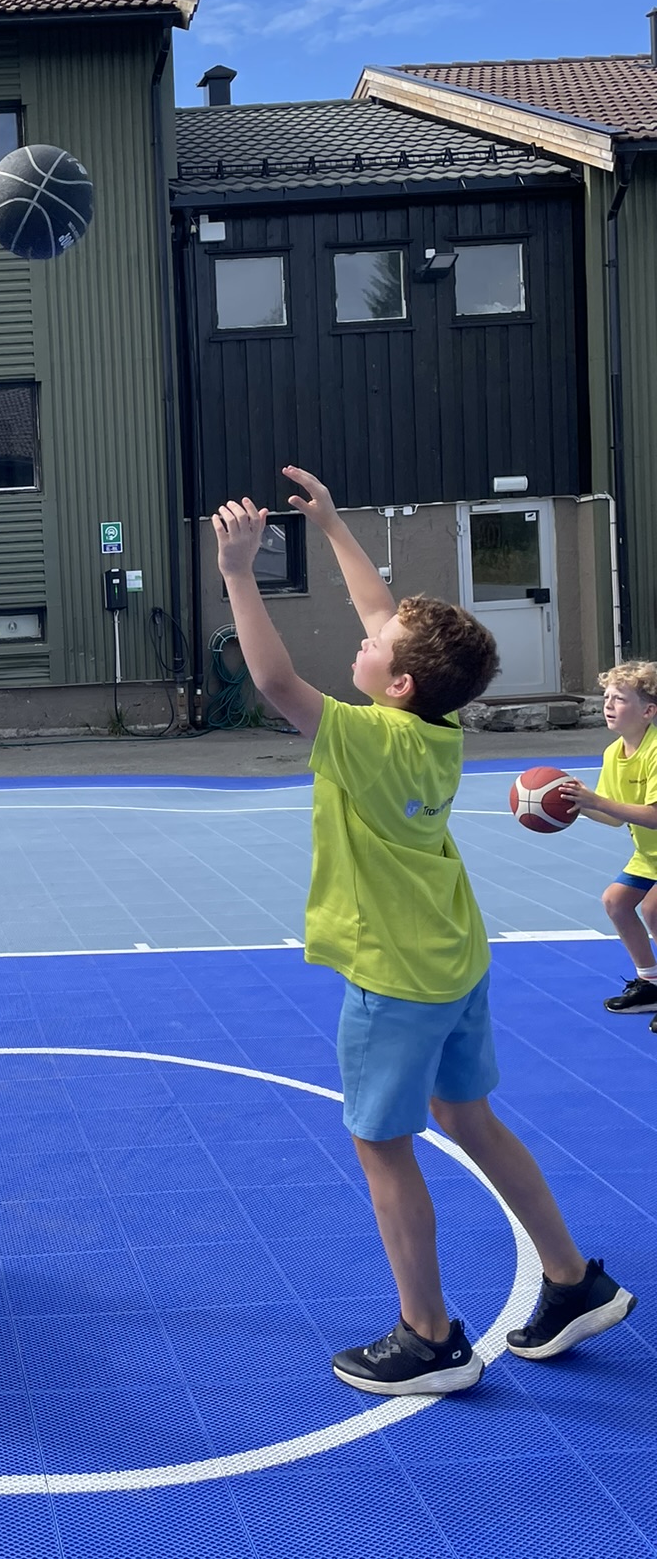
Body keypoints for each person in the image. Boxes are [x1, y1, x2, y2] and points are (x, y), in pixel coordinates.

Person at [213, 466, 636, 1395]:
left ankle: (430, 1336)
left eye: (375, 645)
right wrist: (332, 526)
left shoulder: (370, 738)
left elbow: (276, 682)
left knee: (384, 1147)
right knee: (468, 1116)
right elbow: (382, 609)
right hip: (452, 957)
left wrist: (240, 573)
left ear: (398, 682)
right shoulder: (433, 728)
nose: (364, 636)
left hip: (396, 975)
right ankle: (572, 1280)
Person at [564, 664, 657, 1023]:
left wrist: (597, 801)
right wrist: (577, 806)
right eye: (606, 697)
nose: (608, 704)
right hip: (649, 855)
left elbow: (653, 815)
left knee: (653, 909)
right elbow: (615, 816)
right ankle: (650, 984)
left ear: (648, 711)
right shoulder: (613, 754)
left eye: (619, 698)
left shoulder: (654, 751)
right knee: (615, 902)